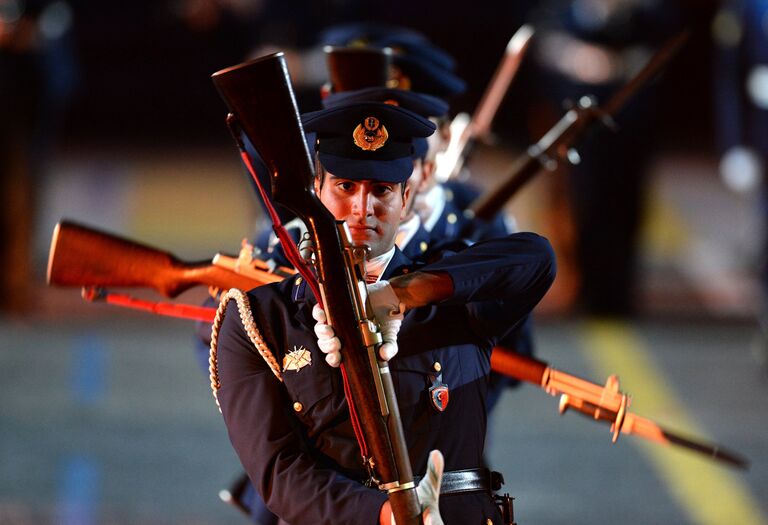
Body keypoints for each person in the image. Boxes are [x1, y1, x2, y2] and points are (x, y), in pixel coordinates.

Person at [211, 100, 555, 524]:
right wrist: (389, 515)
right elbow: (279, 473)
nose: (362, 207)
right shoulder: (262, 319)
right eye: (345, 187)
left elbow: (536, 258)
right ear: (316, 189)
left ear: (406, 197)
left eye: (381, 190)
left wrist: (398, 295)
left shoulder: (452, 300)